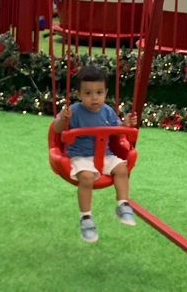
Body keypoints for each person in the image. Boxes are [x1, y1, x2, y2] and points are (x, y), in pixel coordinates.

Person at [53, 65, 138, 243]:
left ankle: (122, 204)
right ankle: (86, 218)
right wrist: (63, 117)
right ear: (79, 94)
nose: (94, 98)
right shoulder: (74, 111)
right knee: (87, 178)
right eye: (88, 93)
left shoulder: (107, 110)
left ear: (105, 93)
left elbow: (116, 131)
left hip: (105, 155)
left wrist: (125, 124)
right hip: (80, 157)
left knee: (122, 169)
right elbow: (57, 130)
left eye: (99, 92)